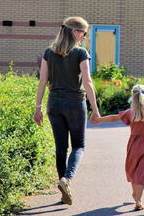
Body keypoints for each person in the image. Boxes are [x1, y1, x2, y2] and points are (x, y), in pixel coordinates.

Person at [33, 16, 101, 206]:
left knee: (61, 148)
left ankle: (64, 192)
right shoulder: (80, 53)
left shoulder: (48, 52)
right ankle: (67, 180)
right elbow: (87, 82)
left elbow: (42, 81)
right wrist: (95, 110)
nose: (85, 36)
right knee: (78, 145)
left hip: (54, 104)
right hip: (75, 104)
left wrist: (37, 108)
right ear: (74, 32)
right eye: (84, 33)